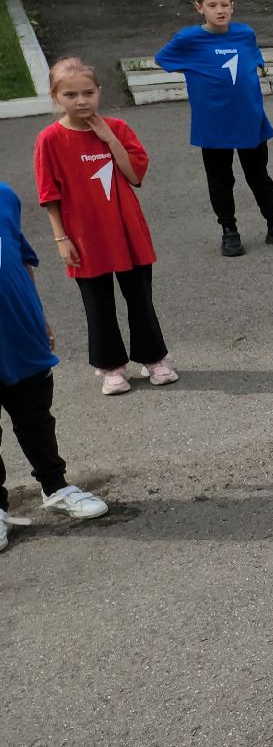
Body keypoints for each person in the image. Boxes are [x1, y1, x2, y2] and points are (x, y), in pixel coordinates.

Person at [33, 59, 179, 397]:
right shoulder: (50, 140)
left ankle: (153, 357)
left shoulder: (118, 128)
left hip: (128, 231)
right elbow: (49, 194)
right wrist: (61, 238)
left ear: (99, 92)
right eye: (70, 94)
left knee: (140, 297)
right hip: (85, 238)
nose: (81, 101)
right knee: (98, 304)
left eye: (88, 92)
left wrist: (108, 138)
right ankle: (111, 367)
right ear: (56, 97)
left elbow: (134, 176)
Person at [153, 0, 273, 257]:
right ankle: (229, 231)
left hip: (249, 119)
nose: (219, 10)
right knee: (221, 181)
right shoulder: (189, 39)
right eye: (212, 5)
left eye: (224, 4)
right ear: (199, 8)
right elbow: (163, 59)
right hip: (213, 124)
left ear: (232, 6)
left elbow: (255, 61)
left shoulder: (244, 34)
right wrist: (199, 73)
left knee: (259, 176)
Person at [1, 179, 110, 552]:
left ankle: (56, 487)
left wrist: (39, 318)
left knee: (36, 416)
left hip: (19, 332)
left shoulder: (3, 196)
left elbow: (21, 259)